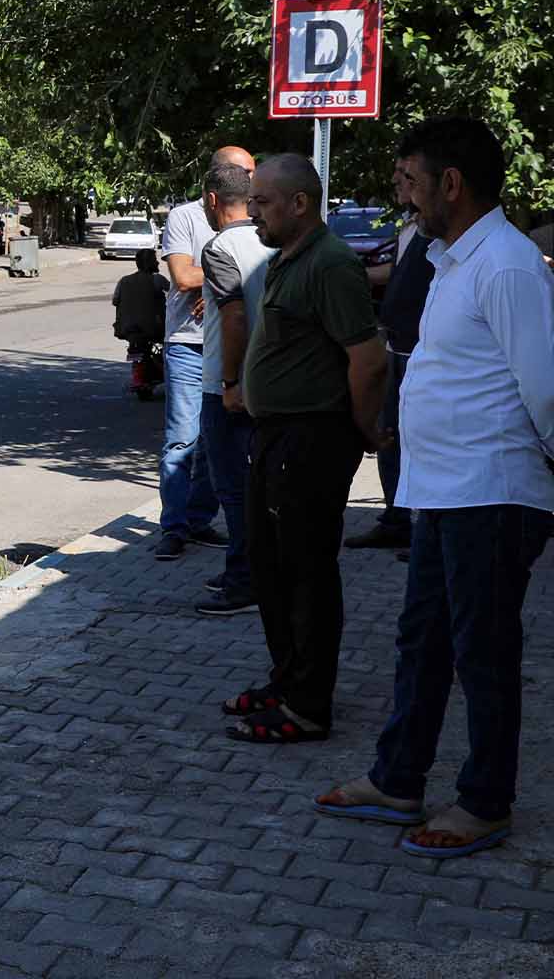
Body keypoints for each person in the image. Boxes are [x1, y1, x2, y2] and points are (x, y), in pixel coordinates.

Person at [314, 117, 554, 858]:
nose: (404, 197)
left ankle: (485, 801)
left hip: (493, 495)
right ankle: (398, 778)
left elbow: (545, 392)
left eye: (410, 181)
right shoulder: (457, 259)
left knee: (482, 651)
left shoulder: (508, 265)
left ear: (451, 183)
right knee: (422, 641)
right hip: (446, 493)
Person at [221, 153, 386, 743]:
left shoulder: (332, 264)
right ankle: (287, 680)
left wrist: (366, 430)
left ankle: (308, 706)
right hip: (276, 436)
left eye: (263, 201)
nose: (253, 210)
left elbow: (368, 360)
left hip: (312, 437)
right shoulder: (288, 258)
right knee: (271, 569)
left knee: (306, 573)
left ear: (299, 203)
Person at [152, 145, 255, 561]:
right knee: (183, 440)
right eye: (244, 172)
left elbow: (257, 273)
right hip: (189, 345)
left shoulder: (254, 218)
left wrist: (213, 285)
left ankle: (199, 520)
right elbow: (181, 275)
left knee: (217, 444)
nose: (252, 178)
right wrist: (220, 283)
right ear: (219, 181)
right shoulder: (185, 217)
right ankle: (174, 527)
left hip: (228, 346)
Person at [194, 162, 273, 616]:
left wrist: (229, 382)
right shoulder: (270, 239)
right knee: (253, 486)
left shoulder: (221, 246)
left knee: (234, 490)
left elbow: (235, 315)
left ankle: (245, 583)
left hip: (227, 386)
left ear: (211, 200)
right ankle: (240, 567)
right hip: (267, 378)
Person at [346, 163, 434, 552]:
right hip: (395, 346)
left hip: (421, 352)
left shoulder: (439, 231)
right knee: (389, 436)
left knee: (421, 439)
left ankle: (427, 529)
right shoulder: (410, 227)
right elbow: (393, 274)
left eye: (404, 174)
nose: (396, 180)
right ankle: (396, 519)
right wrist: (350, 273)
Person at [111, 251, 168, 344]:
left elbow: (115, 301)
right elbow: (174, 296)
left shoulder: (124, 280)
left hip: (126, 329)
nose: (157, 263)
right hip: (154, 329)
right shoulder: (158, 279)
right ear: (149, 262)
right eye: (155, 260)